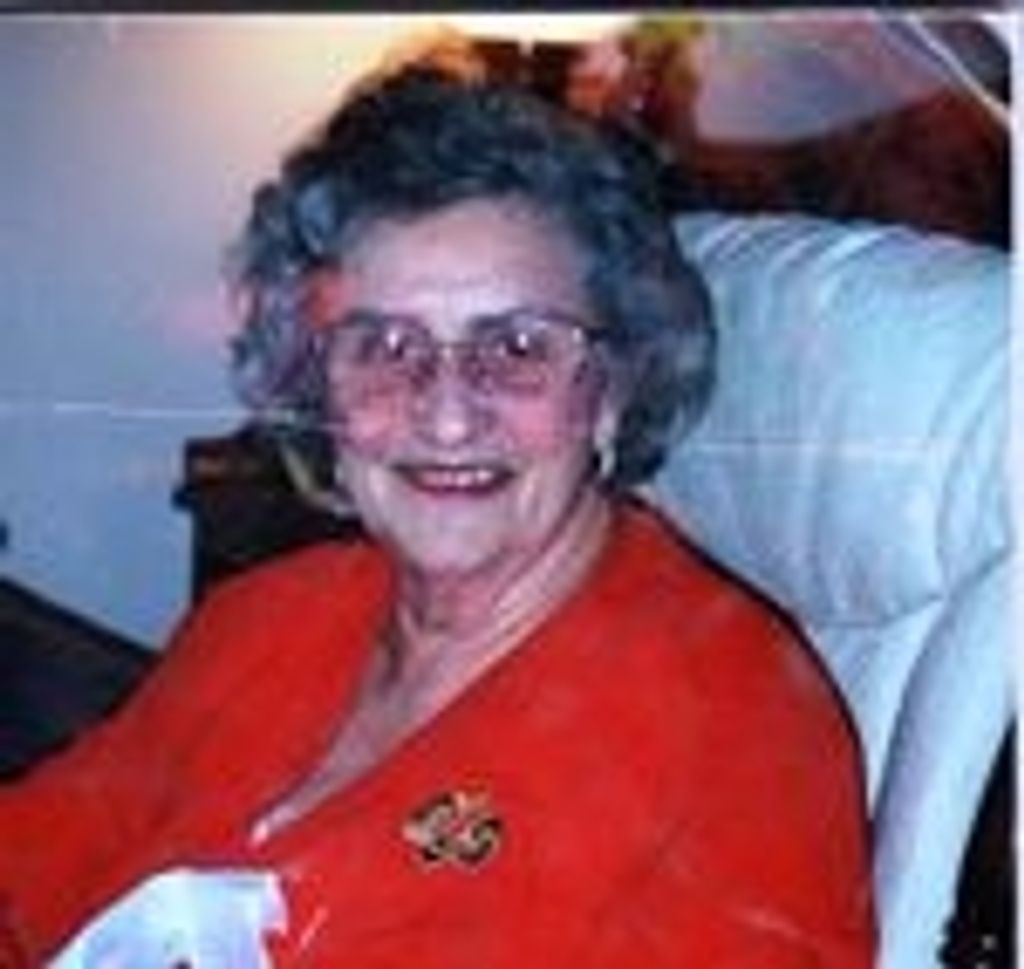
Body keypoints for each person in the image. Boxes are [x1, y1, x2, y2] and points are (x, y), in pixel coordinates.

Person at [0, 65, 875, 966]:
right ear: (317, 384)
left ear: (612, 389)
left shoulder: (732, 733)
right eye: (384, 346)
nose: (448, 415)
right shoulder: (264, 618)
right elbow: (28, 866)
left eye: (518, 347)